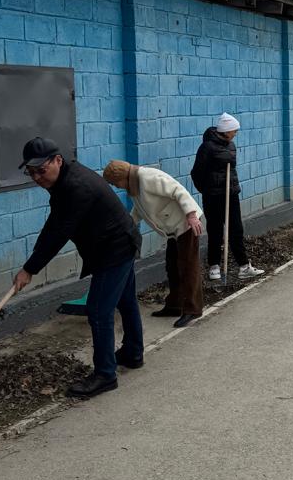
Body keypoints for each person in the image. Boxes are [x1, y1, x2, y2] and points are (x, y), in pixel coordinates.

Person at [12, 137, 143, 397]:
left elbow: (59, 233)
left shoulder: (76, 187)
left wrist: (30, 269)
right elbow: (54, 223)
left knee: (98, 311)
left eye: (41, 170)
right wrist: (30, 264)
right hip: (119, 242)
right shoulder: (64, 181)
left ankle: (105, 375)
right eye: (31, 172)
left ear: (57, 160)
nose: (37, 177)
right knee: (126, 300)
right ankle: (132, 352)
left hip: (114, 249)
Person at [103, 160, 204, 329]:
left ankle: (193, 309)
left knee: (188, 267)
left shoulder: (148, 177)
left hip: (186, 224)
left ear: (121, 177)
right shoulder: (134, 186)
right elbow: (139, 210)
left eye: (114, 183)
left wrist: (191, 215)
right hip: (173, 228)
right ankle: (175, 305)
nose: (116, 186)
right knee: (172, 267)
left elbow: (178, 190)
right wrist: (127, 226)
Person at [190, 112, 264, 282]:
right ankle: (214, 266)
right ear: (226, 130)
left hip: (231, 193)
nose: (236, 133)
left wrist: (232, 187)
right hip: (213, 196)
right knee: (215, 230)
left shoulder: (231, 145)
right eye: (234, 130)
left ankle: (244, 266)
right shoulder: (207, 147)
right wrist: (206, 189)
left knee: (236, 229)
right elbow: (196, 172)